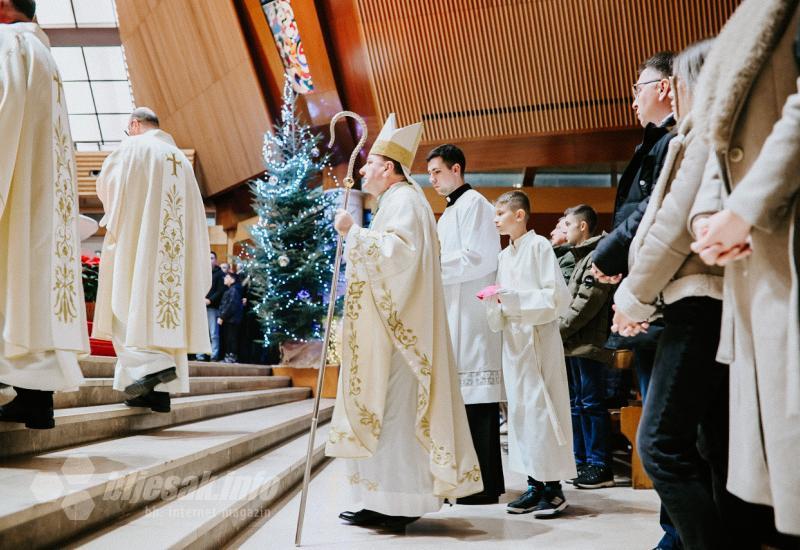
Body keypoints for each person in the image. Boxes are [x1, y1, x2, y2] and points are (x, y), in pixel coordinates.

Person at [326, 114, 482, 529]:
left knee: (394, 418)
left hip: (401, 341)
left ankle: (399, 504)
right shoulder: (394, 202)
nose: (362, 169)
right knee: (384, 415)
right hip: (387, 336)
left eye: (369, 163)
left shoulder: (407, 201)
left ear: (389, 169)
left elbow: (399, 257)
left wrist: (352, 234)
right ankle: (377, 499)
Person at [688, 1, 800, 542]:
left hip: (781, 223)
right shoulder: (747, 14)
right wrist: (714, 214)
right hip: (757, 249)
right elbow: (720, 135)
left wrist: (745, 207)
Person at [591, 51, 681, 549]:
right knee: (659, 424)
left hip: (665, 301)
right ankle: (676, 530)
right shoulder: (657, 141)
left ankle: (680, 534)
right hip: (650, 297)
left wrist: (609, 250)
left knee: (665, 434)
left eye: (639, 87)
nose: (633, 99)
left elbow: (652, 212)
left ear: (665, 86)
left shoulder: (672, 141)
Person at [0, 0, 89, 428]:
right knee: (30, 291)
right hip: (39, 197)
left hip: (13, 184)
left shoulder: (7, 44)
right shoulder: (43, 53)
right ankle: (36, 399)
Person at [93, 107, 211, 414]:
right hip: (172, 258)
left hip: (138, 247)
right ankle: (154, 394)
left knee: (125, 309)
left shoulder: (134, 146)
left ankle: (154, 365)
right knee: (164, 317)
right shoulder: (181, 160)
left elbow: (109, 187)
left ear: (133, 125)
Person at [482, 191, 576, 517]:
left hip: (538, 339)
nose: (496, 219)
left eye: (501, 213)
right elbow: (502, 305)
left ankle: (554, 490)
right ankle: (534, 485)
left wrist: (512, 299)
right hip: (514, 342)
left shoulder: (540, 247)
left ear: (520, 215)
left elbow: (556, 298)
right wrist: (494, 302)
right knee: (521, 415)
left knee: (542, 412)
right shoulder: (505, 256)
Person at [427, 143, 505, 505]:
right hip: (453, 312)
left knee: (478, 400)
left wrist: (433, 267)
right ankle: (467, 480)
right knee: (462, 400)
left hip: (473, 315)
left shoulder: (477, 205)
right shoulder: (448, 213)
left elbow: (480, 258)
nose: (433, 180)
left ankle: (487, 485)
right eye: (429, 174)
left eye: (437, 172)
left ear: (457, 169)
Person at [558, 205, 615, 490]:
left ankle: (599, 465)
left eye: (568, 224)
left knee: (591, 406)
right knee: (578, 406)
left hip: (590, 343)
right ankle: (582, 461)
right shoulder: (580, 257)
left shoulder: (597, 255)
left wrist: (557, 329)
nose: (564, 229)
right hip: (575, 343)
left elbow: (585, 303)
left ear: (582, 227)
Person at [197, 251, 225, 361]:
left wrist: (210, 300)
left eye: (212, 258)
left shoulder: (220, 274)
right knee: (200, 333)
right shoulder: (202, 273)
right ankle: (200, 355)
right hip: (201, 306)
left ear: (216, 260)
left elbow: (220, 290)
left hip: (212, 307)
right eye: (208, 258)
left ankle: (214, 355)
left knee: (213, 333)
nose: (210, 260)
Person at [217, 272, 243, 363]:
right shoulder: (231, 290)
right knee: (228, 338)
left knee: (231, 338)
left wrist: (222, 316)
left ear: (232, 279)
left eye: (227, 277)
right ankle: (228, 355)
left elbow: (231, 305)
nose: (224, 278)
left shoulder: (234, 290)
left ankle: (231, 356)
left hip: (231, 320)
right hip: (230, 319)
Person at [550, 215, 575, 283]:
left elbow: (559, 286)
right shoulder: (555, 252)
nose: (552, 233)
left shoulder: (571, 256)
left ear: (568, 232)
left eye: (558, 228)